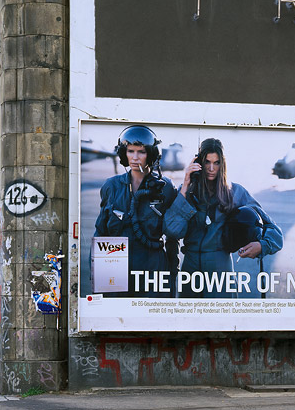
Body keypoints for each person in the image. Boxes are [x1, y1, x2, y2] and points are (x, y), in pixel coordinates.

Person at [165, 137, 283, 298]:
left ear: (223, 164)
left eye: (217, 163)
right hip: (190, 268)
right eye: (207, 162)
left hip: (220, 268)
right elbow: (172, 230)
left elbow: (275, 231)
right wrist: (186, 185)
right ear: (199, 162)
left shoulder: (235, 192)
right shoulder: (186, 192)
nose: (211, 168)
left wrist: (262, 245)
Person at [93, 125, 178, 297]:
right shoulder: (112, 186)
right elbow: (101, 232)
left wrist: (171, 274)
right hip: (116, 266)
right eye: (130, 151)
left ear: (151, 154)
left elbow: (172, 237)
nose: (135, 157)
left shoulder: (166, 188)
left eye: (141, 152)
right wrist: (98, 275)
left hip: (153, 267)